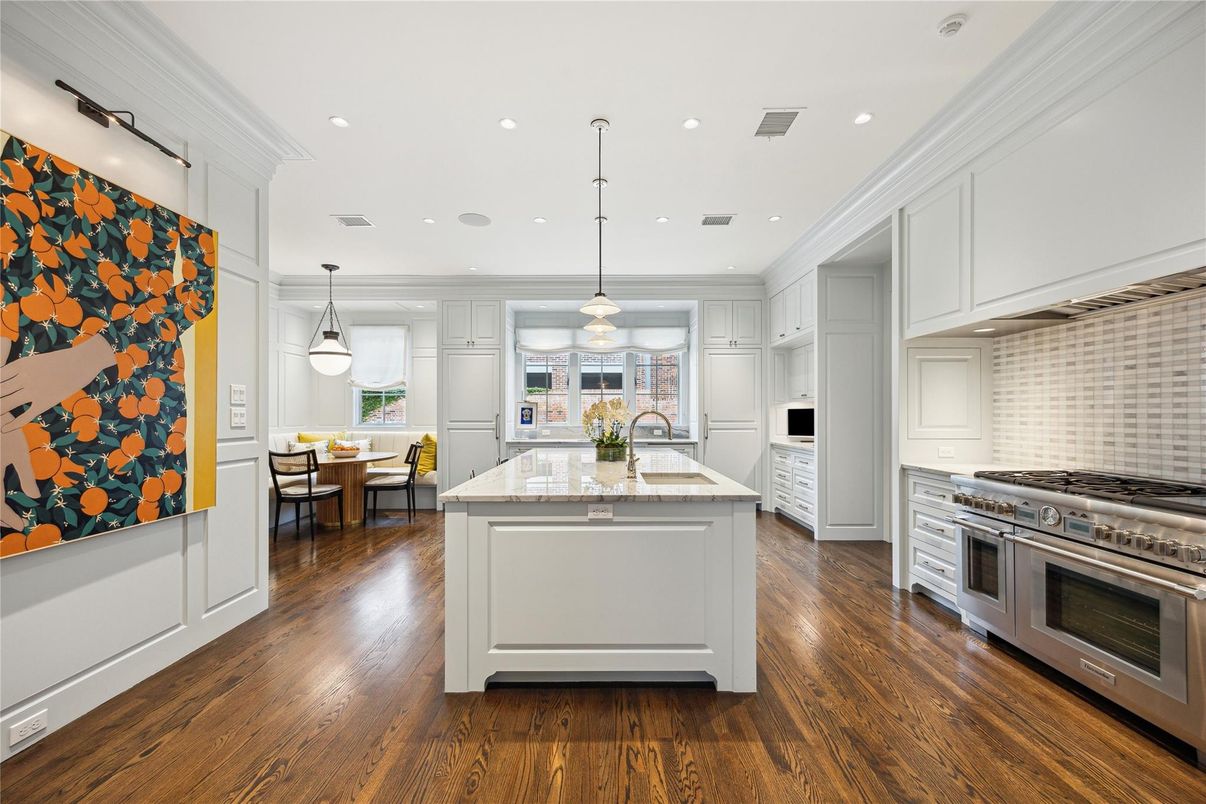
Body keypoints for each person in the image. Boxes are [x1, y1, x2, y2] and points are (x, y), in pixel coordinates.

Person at [0, 133, 215, 555]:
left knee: (149, 539)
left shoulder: (176, 216)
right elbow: (7, 274)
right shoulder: (20, 155)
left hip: (142, 395)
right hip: (31, 394)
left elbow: (199, 289)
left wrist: (97, 351)